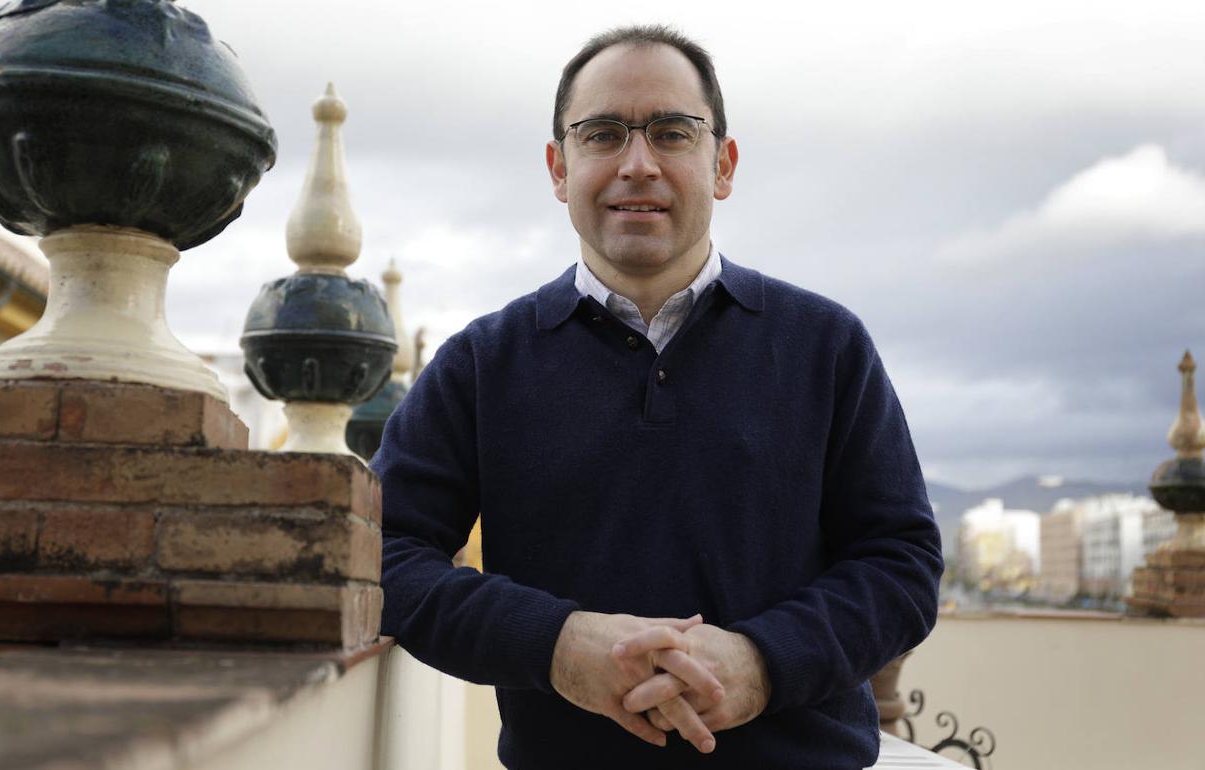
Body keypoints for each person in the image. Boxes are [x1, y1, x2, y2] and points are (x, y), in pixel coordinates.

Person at [372, 25, 943, 770]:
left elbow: (901, 563)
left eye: (672, 133)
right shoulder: (482, 364)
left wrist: (762, 662)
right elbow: (380, 555)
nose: (637, 165)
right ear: (558, 166)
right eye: (602, 134)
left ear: (723, 163)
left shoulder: (827, 346)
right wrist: (558, 645)